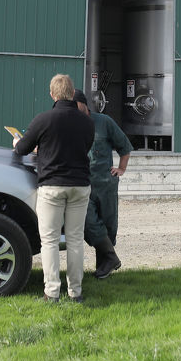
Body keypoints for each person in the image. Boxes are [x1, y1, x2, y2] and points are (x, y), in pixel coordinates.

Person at [13, 74, 94, 303]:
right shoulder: (87, 122)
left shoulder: (44, 119)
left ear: (53, 94)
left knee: (49, 240)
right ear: (72, 92)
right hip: (80, 185)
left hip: (52, 185)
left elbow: (22, 149)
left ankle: (52, 292)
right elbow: (83, 146)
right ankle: (76, 292)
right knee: (76, 240)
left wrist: (17, 143)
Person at [74, 89, 133, 279]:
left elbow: (124, 145)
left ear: (84, 104)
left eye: (75, 105)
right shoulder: (71, 124)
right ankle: (111, 259)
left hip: (105, 183)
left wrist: (121, 169)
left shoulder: (104, 122)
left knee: (108, 225)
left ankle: (103, 268)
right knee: (89, 222)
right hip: (83, 183)